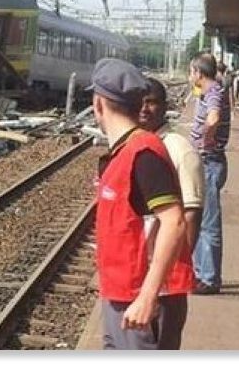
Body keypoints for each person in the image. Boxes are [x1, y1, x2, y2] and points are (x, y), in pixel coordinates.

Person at [88, 58, 193, 350]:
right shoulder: (125, 152)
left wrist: (148, 296)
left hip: (142, 299)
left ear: (98, 104)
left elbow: (175, 222)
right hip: (122, 293)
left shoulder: (143, 154)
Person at [140, 77, 204, 250]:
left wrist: (176, 267)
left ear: (165, 107)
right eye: (139, 102)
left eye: (151, 102)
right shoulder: (136, 145)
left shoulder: (180, 149)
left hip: (162, 258)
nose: (144, 109)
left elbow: (192, 213)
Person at [188, 53, 230, 295]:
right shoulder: (211, 91)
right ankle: (201, 272)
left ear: (198, 73)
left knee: (208, 223)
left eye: (190, 72)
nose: (189, 76)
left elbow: (213, 117)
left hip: (209, 161)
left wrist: (206, 140)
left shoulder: (213, 91)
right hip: (208, 161)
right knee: (201, 220)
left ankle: (210, 278)